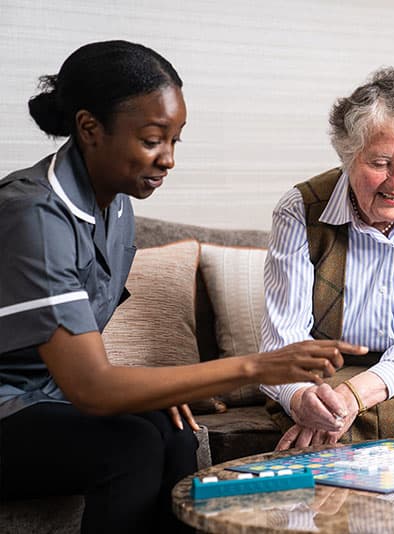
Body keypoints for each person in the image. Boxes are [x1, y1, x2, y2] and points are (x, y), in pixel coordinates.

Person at [0, 40, 366, 534]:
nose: (168, 158)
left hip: (43, 396)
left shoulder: (118, 205)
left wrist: (148, 390)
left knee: (170, 433)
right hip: (11, 406)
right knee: (131, 446)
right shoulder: (35, 215)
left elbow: (72, 355)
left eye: (176, 139)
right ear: (90, 128)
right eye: (153, 139)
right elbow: (91, 387)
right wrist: (260, 364)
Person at [260, 66, 394, 451]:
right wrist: (301, 399)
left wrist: (354, 396)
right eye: (379, 163)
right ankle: (334, 510)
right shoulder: (300, 209)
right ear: (349, 155)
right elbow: (282, 346)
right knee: (323, 419)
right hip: (322, 377)